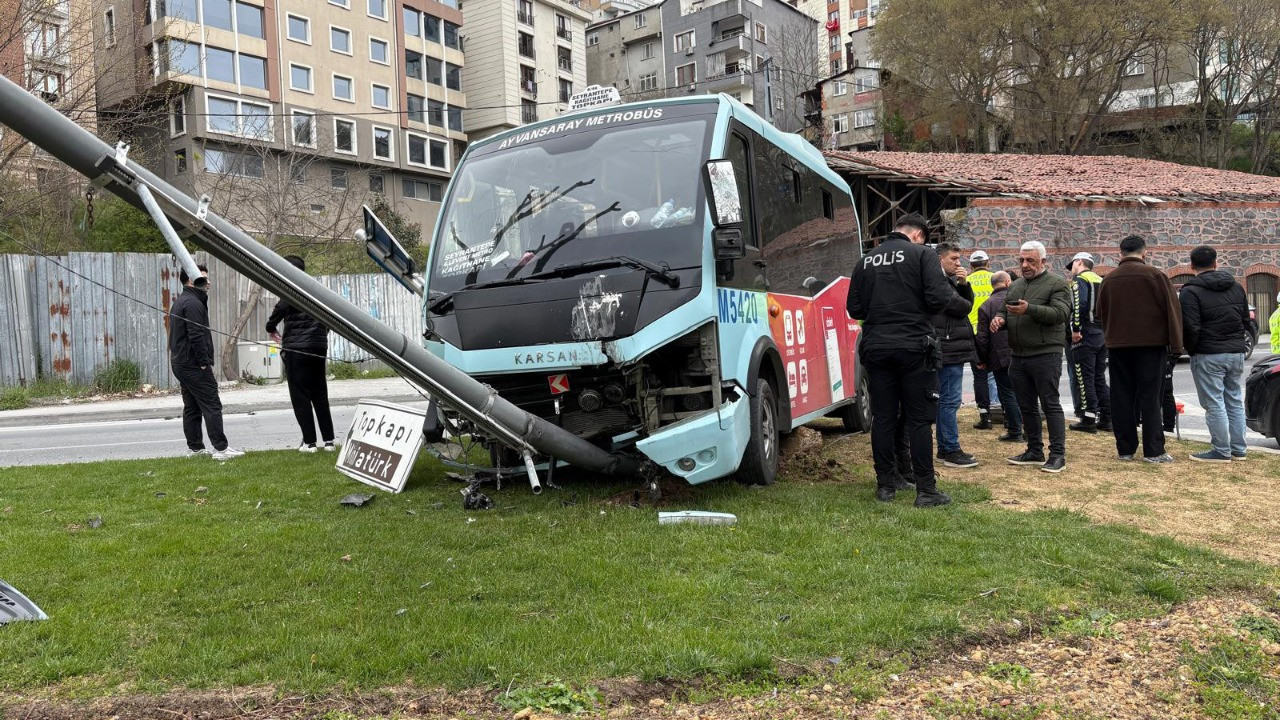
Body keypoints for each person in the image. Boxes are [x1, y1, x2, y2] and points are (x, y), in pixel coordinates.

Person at [847, 212, 962, 507]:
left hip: (876, 347)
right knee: (919, 419)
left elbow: (854, 309)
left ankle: (885, 485)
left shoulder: (866, 260)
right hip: (914, 347)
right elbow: (938, 298)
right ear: (919, 235)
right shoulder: (922, 255)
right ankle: (926, 489)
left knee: (883, 417)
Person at [1097, 234, 1184, 463]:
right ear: (1145, 253)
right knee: (1151, 398)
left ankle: (1125, 449)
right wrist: (1176, 345)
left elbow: (1100, 314)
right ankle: (1154, 450)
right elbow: (1172, 312)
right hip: (1151, 346)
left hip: (1118, 345)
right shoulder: (1156, 276)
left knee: (1121, 397)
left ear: (1121, 253)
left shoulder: (1109, 279)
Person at [990, 240, 1071, 473]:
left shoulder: (1056, 283)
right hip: (1018, 355)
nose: (1025, 265)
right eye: (1021, 260)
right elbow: (1004, 309)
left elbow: (1060, 314)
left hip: (1045, 354)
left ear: (1043, 261)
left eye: (1030, 261)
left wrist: (1030, 309)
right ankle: (1034, 450)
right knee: (1026, 406)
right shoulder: (1015, 286)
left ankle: (1057, 455)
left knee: (1050, 404)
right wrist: (1000, 319)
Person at [1179, 245, 1252, 462]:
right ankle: (1238, 448)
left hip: (1208, 352)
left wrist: (1192, 350)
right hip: (1236, 351)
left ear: (1192, 266)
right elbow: (1245, 320)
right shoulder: (1236, 287)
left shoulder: (1190, 291)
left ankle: (1221, 450)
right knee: (1234, 399)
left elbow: (1191, 327)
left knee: (1214, 403)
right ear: (1216, 262)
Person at [168, 263, 244, 461]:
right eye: (204, 278)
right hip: (193, 365)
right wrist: (203, 362)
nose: (208, 282)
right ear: (192, 280)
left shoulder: (182, 301)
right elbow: (196, 335)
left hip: (181, 363)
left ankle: (195, 449)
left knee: (192, 406)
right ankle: (221, 449)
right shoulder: (193, 303)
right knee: (212, 404)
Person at [266, 256, 336, 453]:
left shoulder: (290, 288)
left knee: (301, 396)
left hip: (296, 349)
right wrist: (320, 336)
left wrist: (270, 328)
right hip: (318, 347)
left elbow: (279, 310)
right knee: (320, 393)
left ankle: (310, 442)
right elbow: (330, 317)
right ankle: (329, 441)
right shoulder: (317, 289)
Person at [932, 242, 980, 468]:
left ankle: (945, 448)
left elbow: (963, 305)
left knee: (945, 402)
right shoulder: (938, 281)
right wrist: (963, 285)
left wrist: (962, 284)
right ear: (940, 259)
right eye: (954, 259)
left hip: (950, 346)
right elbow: (963, 307)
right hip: (949, 348)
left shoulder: (946, 282)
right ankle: (950, 449)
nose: (959, 263)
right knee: (949, 401)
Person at [1065, 252, 1111, 433]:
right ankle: (1107, 418)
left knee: (1084, 378)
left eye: (1073, 266)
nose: (1071, 271)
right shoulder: (1101, 280)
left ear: (1079, 262)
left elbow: (1079, 305)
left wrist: (1075, 330)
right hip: (1101, 334)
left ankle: (1088, 419)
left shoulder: (1079, 280)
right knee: (1099, 377)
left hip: (1085, 334)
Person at [975, 271, 1023, 443]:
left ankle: (1016, 430)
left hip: (999, 356)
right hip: (1021, 352)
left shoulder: (986, 306)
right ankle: (1027, 428)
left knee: (1008, 393)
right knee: (1024, 393)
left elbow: (982, 338)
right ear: (1008, 282)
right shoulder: (1018, 302)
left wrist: (981, 360)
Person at [966, 250, 999, 430]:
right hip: (995, 329)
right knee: (999, 373)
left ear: (971, 266)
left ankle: (985, 415)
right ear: (988, 262)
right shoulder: (996, 278)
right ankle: (1002, 410)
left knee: (979, 376)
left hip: (974, 332)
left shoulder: (966, 281)